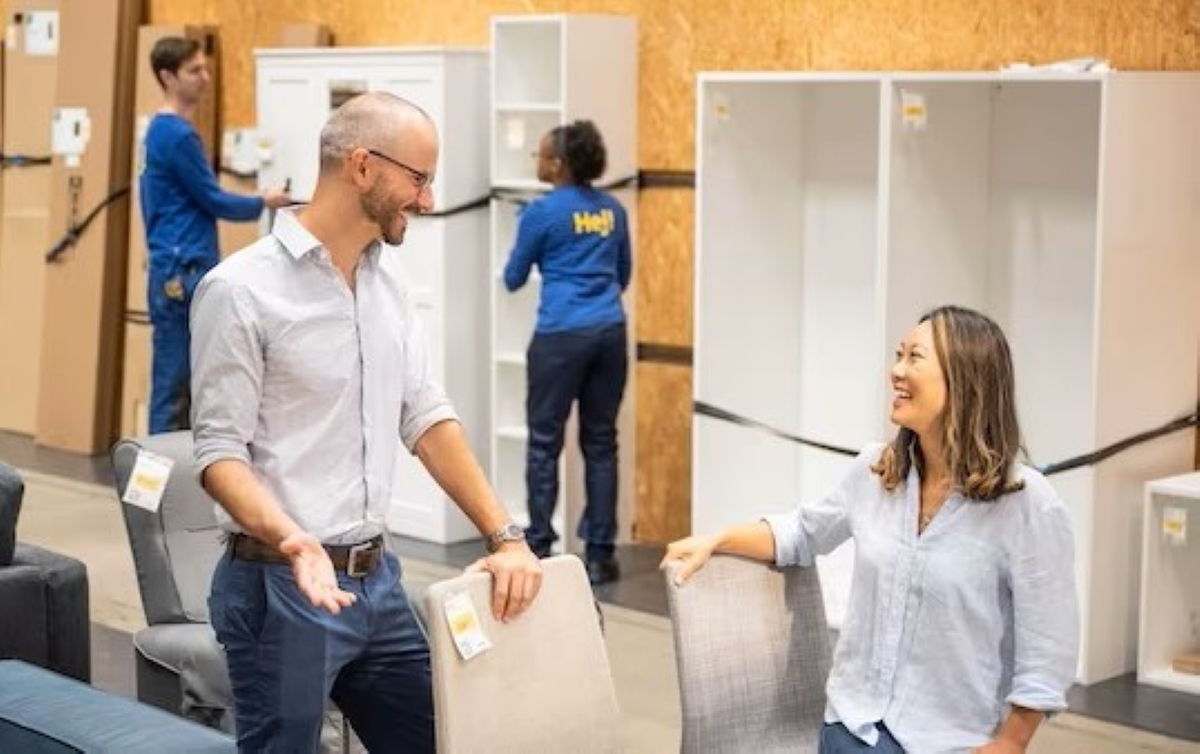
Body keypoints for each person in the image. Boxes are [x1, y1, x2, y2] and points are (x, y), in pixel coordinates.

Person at [190, 91, 543, 752]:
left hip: (376, 581)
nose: (429, 200)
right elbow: (217, 453)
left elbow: (427, 417)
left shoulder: (388, 282)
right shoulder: (240, 290)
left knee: (439, 740)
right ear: (361, 167)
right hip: (279, 586)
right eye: (419, 178)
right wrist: (294, 539)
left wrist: (505, 536)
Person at [662, 305, 1078, 753]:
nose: (896, 371)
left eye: (914, 358)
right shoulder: (877, 471)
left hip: (950, 741)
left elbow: (1048, 647)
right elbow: (802, 533)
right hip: (850, 726)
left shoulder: (1027, 503)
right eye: (898, 355)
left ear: (965, 378)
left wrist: (1011, 744)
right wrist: (717, 539)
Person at [503, 120, 632, 585]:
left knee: (544, 442)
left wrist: (528, 234)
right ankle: (601, 555)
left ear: (557, 164)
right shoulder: (614, 210)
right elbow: (623, 274)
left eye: (539, 155)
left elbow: (513, 277)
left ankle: (538, 543)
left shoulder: (541, 213)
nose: (535, 162)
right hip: (610, 334)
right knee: (601, 443)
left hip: (560, 336)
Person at [140, 36, 290, 434]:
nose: (205, 78)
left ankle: (167, 482)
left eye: (205, 68)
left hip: (172, 267)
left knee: (178, 384)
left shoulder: (160, 131)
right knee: (175, 387)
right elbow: (213, 199)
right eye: (194, 71)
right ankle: (157, 488)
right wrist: (264, 201)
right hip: (183, 268)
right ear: (167, 77)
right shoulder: (177, 135)